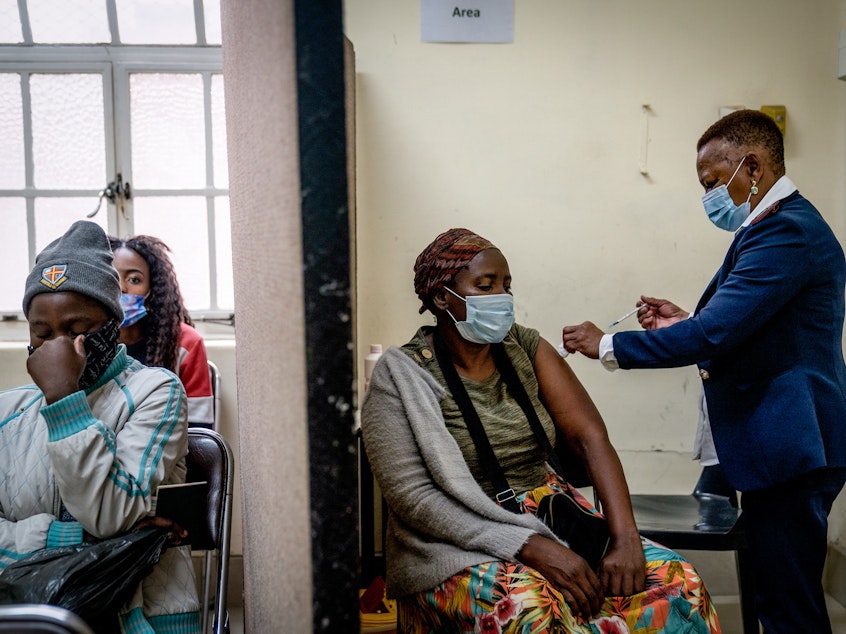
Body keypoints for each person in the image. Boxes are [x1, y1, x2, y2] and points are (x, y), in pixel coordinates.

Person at [563, 109, 846, 633]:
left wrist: (608, 344)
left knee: (789, 604)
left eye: (714, 182)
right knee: (775, 591)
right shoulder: (768, 228)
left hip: (793, 443)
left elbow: (716, 335)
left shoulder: (787, 233)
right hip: (779, 441)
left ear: (753, 166)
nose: (709, 198)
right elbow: (744, 328)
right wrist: (685, 320)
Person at [360, 228, 721, 633]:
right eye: (485, 285)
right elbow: (417, 501)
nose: (502, 296)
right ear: (442, 297)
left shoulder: (524, 347)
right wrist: (528, 547)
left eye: (506, 285)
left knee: (678, 582)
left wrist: (625, 539)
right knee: (532, 608)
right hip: (459, 538)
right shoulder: (402, 376)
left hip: (550, 514)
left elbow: (590, 438)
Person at [0, 221, 201, 632]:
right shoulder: (9, 412)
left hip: (137, 617)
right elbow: (110, 533)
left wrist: (64, 401)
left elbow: (111, 515)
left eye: (77, 331)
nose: (57, 346)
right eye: (42, 334)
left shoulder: (155, 392)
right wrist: (69, 539)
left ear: (111, 324)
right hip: (30, 615)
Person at [108, 235, 214, 428]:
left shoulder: (186, 342)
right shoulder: (84, 338)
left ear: (152, 288)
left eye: (134, 279)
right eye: (113, 277)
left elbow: (199, 429)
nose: (122, 287)